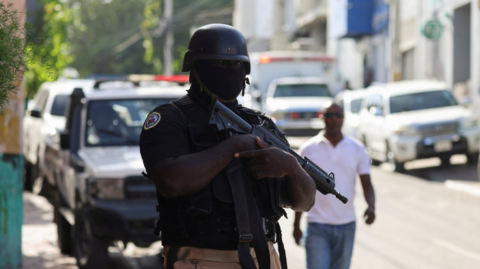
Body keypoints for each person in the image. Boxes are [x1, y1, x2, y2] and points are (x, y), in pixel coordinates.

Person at [139, 24, 317, 269]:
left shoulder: (261, 124)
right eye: (219, 64)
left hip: (263, 256)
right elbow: (171, 181)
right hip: (200, 258)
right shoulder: (169, 119)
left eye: (236, 64)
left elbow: (305, 202)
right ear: (196, 68)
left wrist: (292, 168)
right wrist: (234, 146)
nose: (229, 71)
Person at [293, 103, 376, 269]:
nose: (334, 119)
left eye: (338, 115)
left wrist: (371, 206)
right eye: (329, 115)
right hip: (316, 225)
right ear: (322, 117)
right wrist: (296, 225)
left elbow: (367, 184)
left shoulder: (357, 148)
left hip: (346, 226)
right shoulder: (308, 149)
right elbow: (299, 190)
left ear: (343, 118)